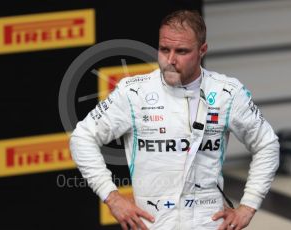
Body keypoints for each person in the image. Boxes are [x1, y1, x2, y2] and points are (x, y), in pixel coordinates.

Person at [70, 10, 279, 230]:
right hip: (151, 224)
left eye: (181, 51)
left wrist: (248, 206)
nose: (170, 60)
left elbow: (267, 144)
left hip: (208, 224)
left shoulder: (227, 92)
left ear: (202, 50)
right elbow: (82, 137)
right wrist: (111, 197)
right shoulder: (133, 93)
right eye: (164, 49)